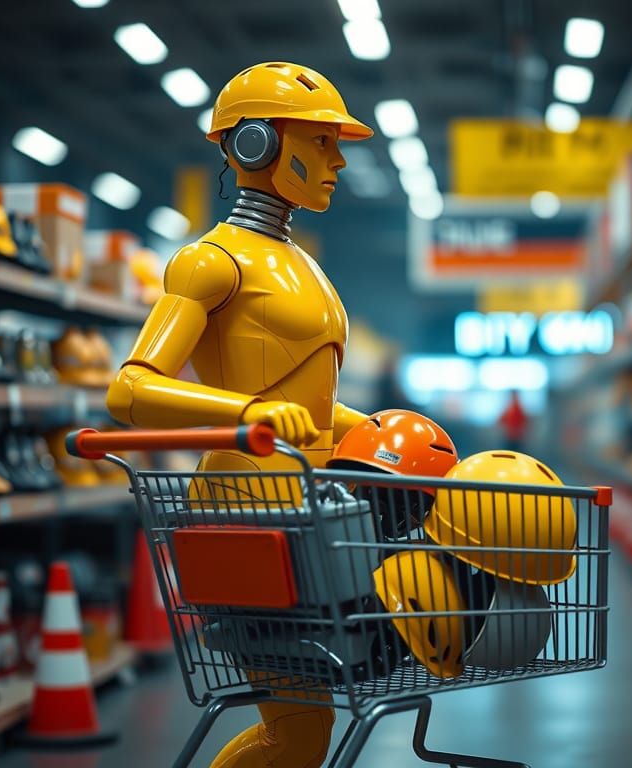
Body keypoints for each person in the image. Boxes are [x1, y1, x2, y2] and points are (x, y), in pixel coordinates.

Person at [107, 61, 373, 768]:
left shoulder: (301, 264)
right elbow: (130, 391)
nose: (338, 160)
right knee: (298, 732)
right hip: (243, 518)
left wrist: (367, 429)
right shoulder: (210, 261)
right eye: (320, 141)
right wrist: (251, 412)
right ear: (256, 142)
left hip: (306, 512)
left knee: (307, 728)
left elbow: (305, 402)